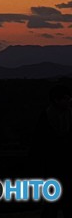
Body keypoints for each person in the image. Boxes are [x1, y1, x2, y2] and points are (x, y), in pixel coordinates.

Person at [35, 83, 71, 218]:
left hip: (67, 166)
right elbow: (40, 144)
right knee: (51, 205)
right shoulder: (46, 117)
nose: (68, 101)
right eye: (66, 98)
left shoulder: (68, 115)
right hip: (52, 167)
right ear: (57, 100)